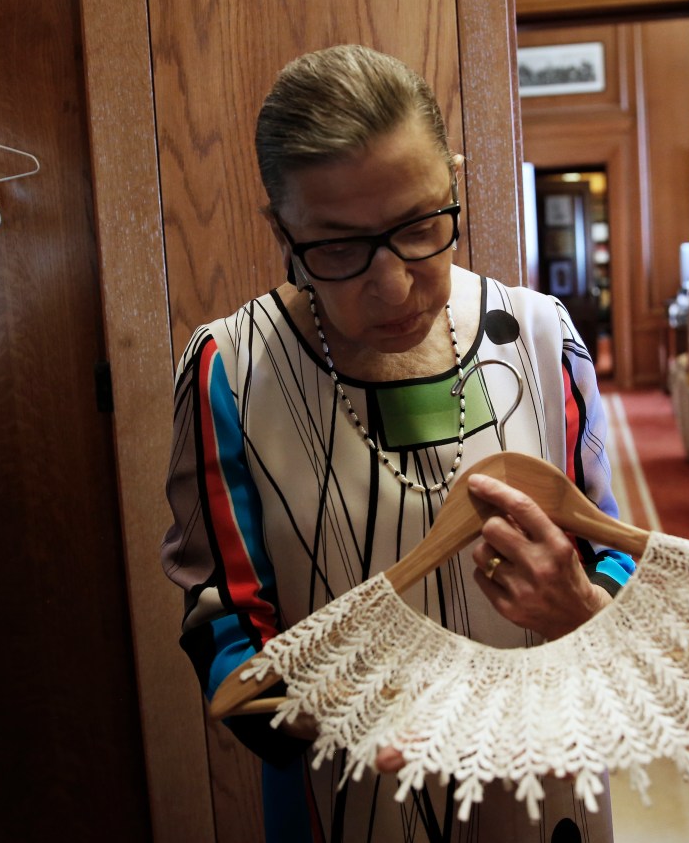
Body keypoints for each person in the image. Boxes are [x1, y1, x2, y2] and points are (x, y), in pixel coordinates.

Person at [162, 45, 634, 843]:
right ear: (281, 228)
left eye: (421, 226)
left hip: (544, 788)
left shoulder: (541, 341)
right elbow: (226, 630)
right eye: (339, 250)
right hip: (349, 804)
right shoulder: (232, 371)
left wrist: (584, 608)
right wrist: (324, 718)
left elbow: (612, 553)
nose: (392, 285)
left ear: (452, 181)